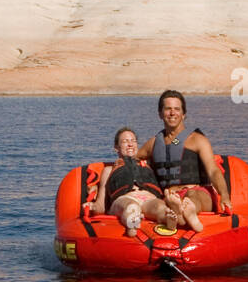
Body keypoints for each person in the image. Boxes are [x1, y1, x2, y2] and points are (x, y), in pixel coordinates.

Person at [138, 90, 232, 233]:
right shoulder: (152, 144)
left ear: (184, 114)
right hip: (169, 196)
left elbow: (213, 171)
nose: (172, 113)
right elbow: (132, 159)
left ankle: (188, 211)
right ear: (160, 113)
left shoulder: (197, 140)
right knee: (159, 204)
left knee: (191, 196)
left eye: (177, 109)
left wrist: (224, 196)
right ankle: (177, 213)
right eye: (168, 109)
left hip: (197, 192)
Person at [86, 127, 177, 235]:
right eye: (125, 141)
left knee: (159, 206)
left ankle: (167, 217)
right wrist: (93, 207)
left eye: (133, 141)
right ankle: (132, 223)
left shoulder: (148, 166)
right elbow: (101, 204)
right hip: (124, 199)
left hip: (148, 199)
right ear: (116, 147)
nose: (130, 144)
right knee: (131, 206)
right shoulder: (109, 170)